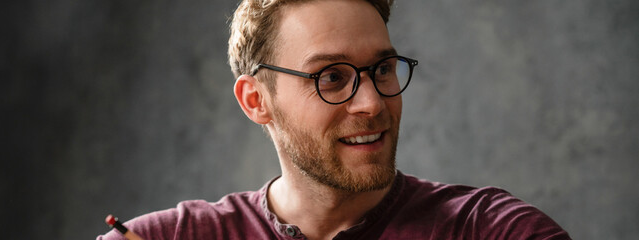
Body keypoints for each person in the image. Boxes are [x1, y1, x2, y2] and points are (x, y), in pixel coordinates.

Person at [98, 0, 571, 239]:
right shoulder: (169, 238)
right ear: (256, 100)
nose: (371, 102)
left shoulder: (491, 231)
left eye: (382, 69)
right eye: (331, 77)